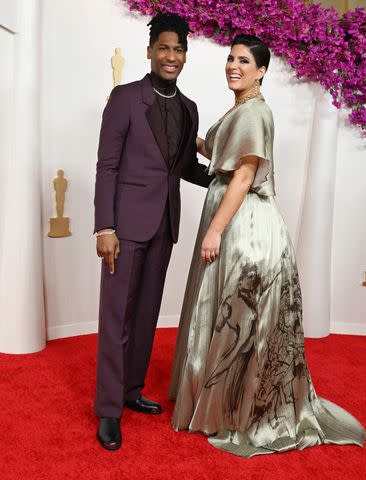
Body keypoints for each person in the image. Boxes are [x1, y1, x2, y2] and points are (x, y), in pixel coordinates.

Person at [170, 34, 365, 458]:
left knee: (237, 316)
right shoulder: (243, 109)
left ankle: (234, 411)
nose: (233, 66)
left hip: (247, 226)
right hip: (236, 216)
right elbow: (219, 153)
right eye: (230, 58)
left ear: (261, 71)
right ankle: (221, 403)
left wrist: (215, 231)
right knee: (231, 312)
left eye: (244, 61)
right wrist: (185, 135)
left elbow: (242, 176)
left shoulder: (256, 112)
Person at [94, 13, 212, 451]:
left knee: (145, 315)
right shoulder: (124, 98)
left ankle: (130, 391)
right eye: (163, 47)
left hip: (164, 226)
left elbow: (182, 168)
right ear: (150, 52)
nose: (171, 56)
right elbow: (106, 166)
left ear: (185, 55)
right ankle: (108, 409)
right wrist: (104, 226)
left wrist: (230, 174)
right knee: (115, 318)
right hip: (123, 228)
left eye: (178, 49)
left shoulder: (189, 109)